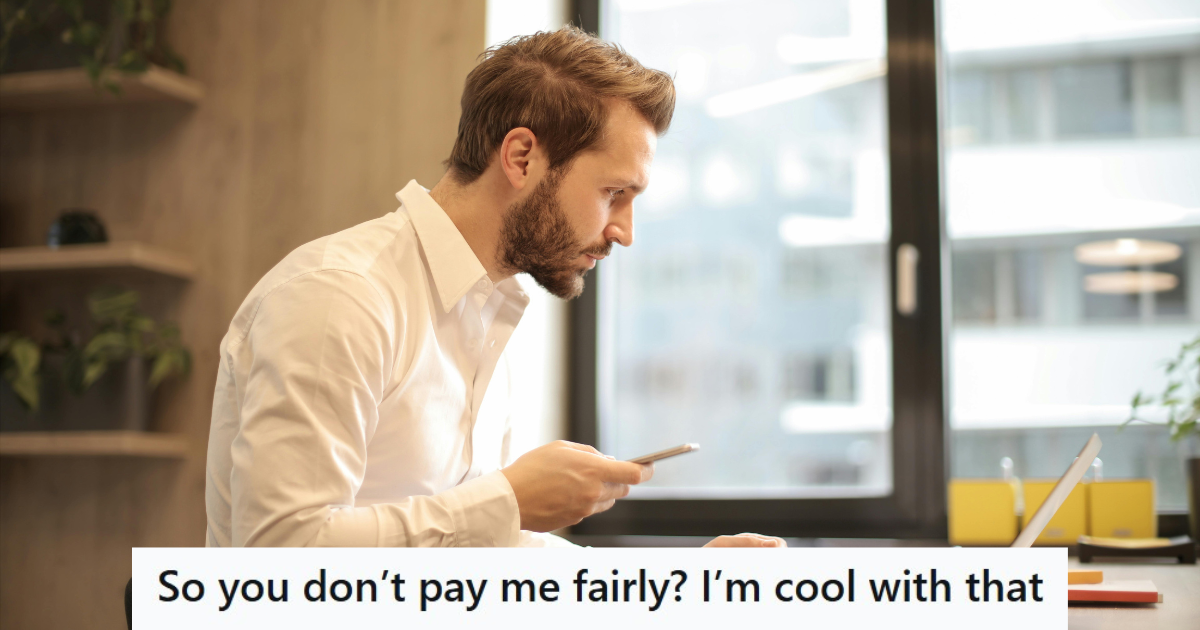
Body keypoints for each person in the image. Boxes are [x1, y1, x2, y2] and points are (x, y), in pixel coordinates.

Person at [205, 26, 784, 550]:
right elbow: (279, 557)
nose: (624, 233)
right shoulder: (341, 298)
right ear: (522, 156)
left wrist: (675, 586)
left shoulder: (485, 315)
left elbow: (477, 555)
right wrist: (507, 501)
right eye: (615, 194)